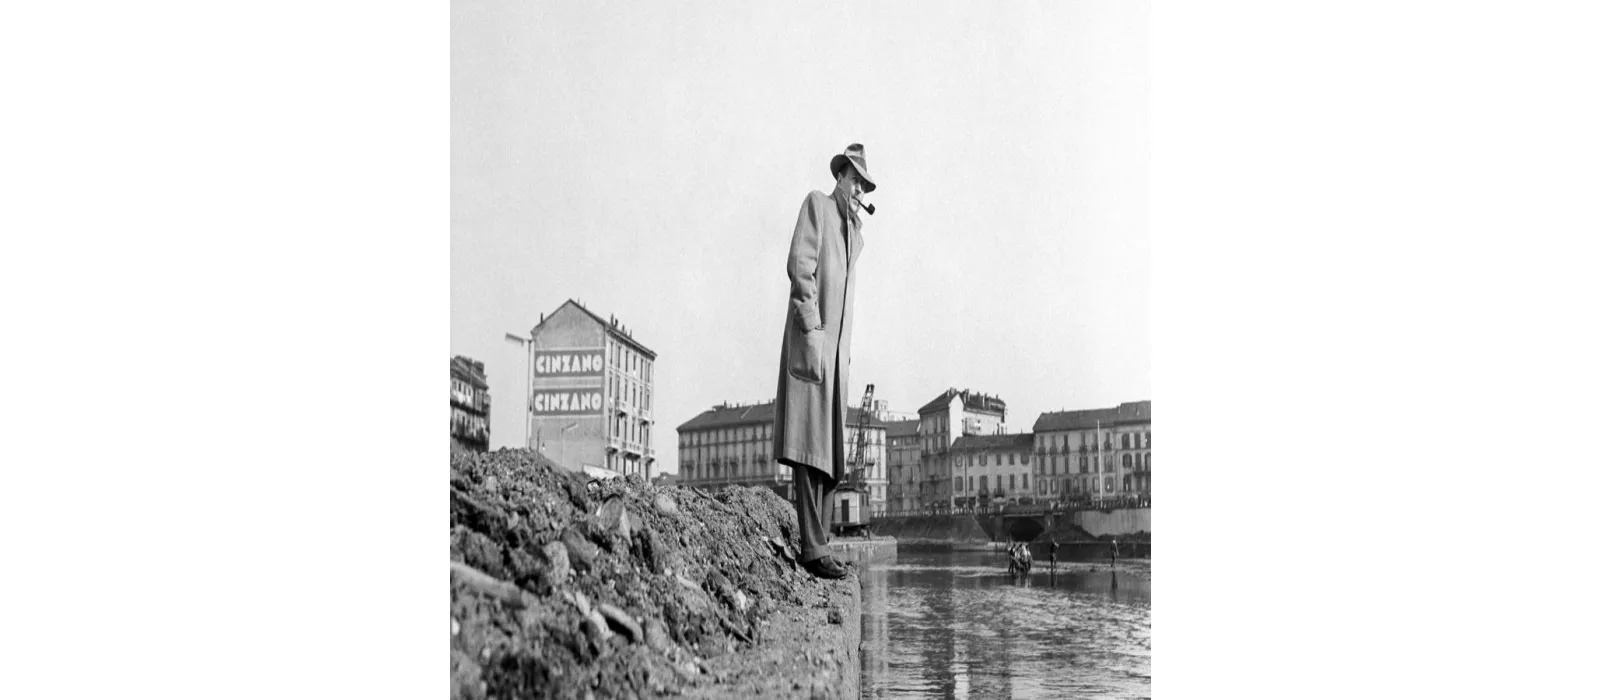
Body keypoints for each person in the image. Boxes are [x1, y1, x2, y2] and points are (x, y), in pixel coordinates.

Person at [772, 143, 877, 580]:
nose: (859, 191)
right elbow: (801, 268)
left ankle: (822, 544)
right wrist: (813, 329)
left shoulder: (855, 235)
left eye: (864, 186)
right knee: (807, 449)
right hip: (814, 346)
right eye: (855, 182)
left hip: (836, 360)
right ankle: (814, 550)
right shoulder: (817, 206)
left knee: (829, 456)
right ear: (840, 178)